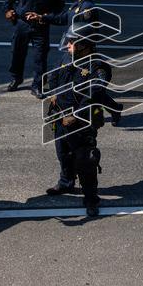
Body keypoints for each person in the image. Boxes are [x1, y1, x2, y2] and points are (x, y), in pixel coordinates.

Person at [44, 24, 109, 216]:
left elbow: (94, 94)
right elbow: (53, 76)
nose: (68, 45)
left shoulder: (98, 67)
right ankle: (66, 182)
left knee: (85, 160)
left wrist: (75, 115)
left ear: (84, 44)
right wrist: (53, 93)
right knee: (63, 152)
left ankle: (91, 198)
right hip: (61, 117)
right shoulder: (66, 58)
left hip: (82, 122)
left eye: (72, 42)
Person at [44, 0, 122, 124]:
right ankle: (114, 108)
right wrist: (43, 17)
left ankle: (109, 110)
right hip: (73, 48)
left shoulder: (87, 9)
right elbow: (64, 18)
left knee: (88, 87)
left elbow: (88, 34)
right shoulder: (77, 5)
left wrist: (79, 48)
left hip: (82, 52)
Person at [3, 0, 64, 95]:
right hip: (22, 25)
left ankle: (38, 85)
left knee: (40, 57)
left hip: (40, 26)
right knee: (17, 53)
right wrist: (8, 11)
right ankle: (16, 79)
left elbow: (59, 6)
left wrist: (45, 16)